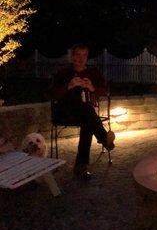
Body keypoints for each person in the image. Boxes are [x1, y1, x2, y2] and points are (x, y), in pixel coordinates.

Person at [48, 44, 115, 180]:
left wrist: (91, 87)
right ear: (72, 57)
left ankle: (81, 167)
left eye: (84, 55)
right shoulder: (63, 73)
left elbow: (104, 90)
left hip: (86, 114)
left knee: (87, 118)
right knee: (88, 113)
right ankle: (104, 140)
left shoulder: (93, 72)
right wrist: (69, 85)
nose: (81, 58)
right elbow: (51, 94)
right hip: (65, 113)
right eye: (78, 55)